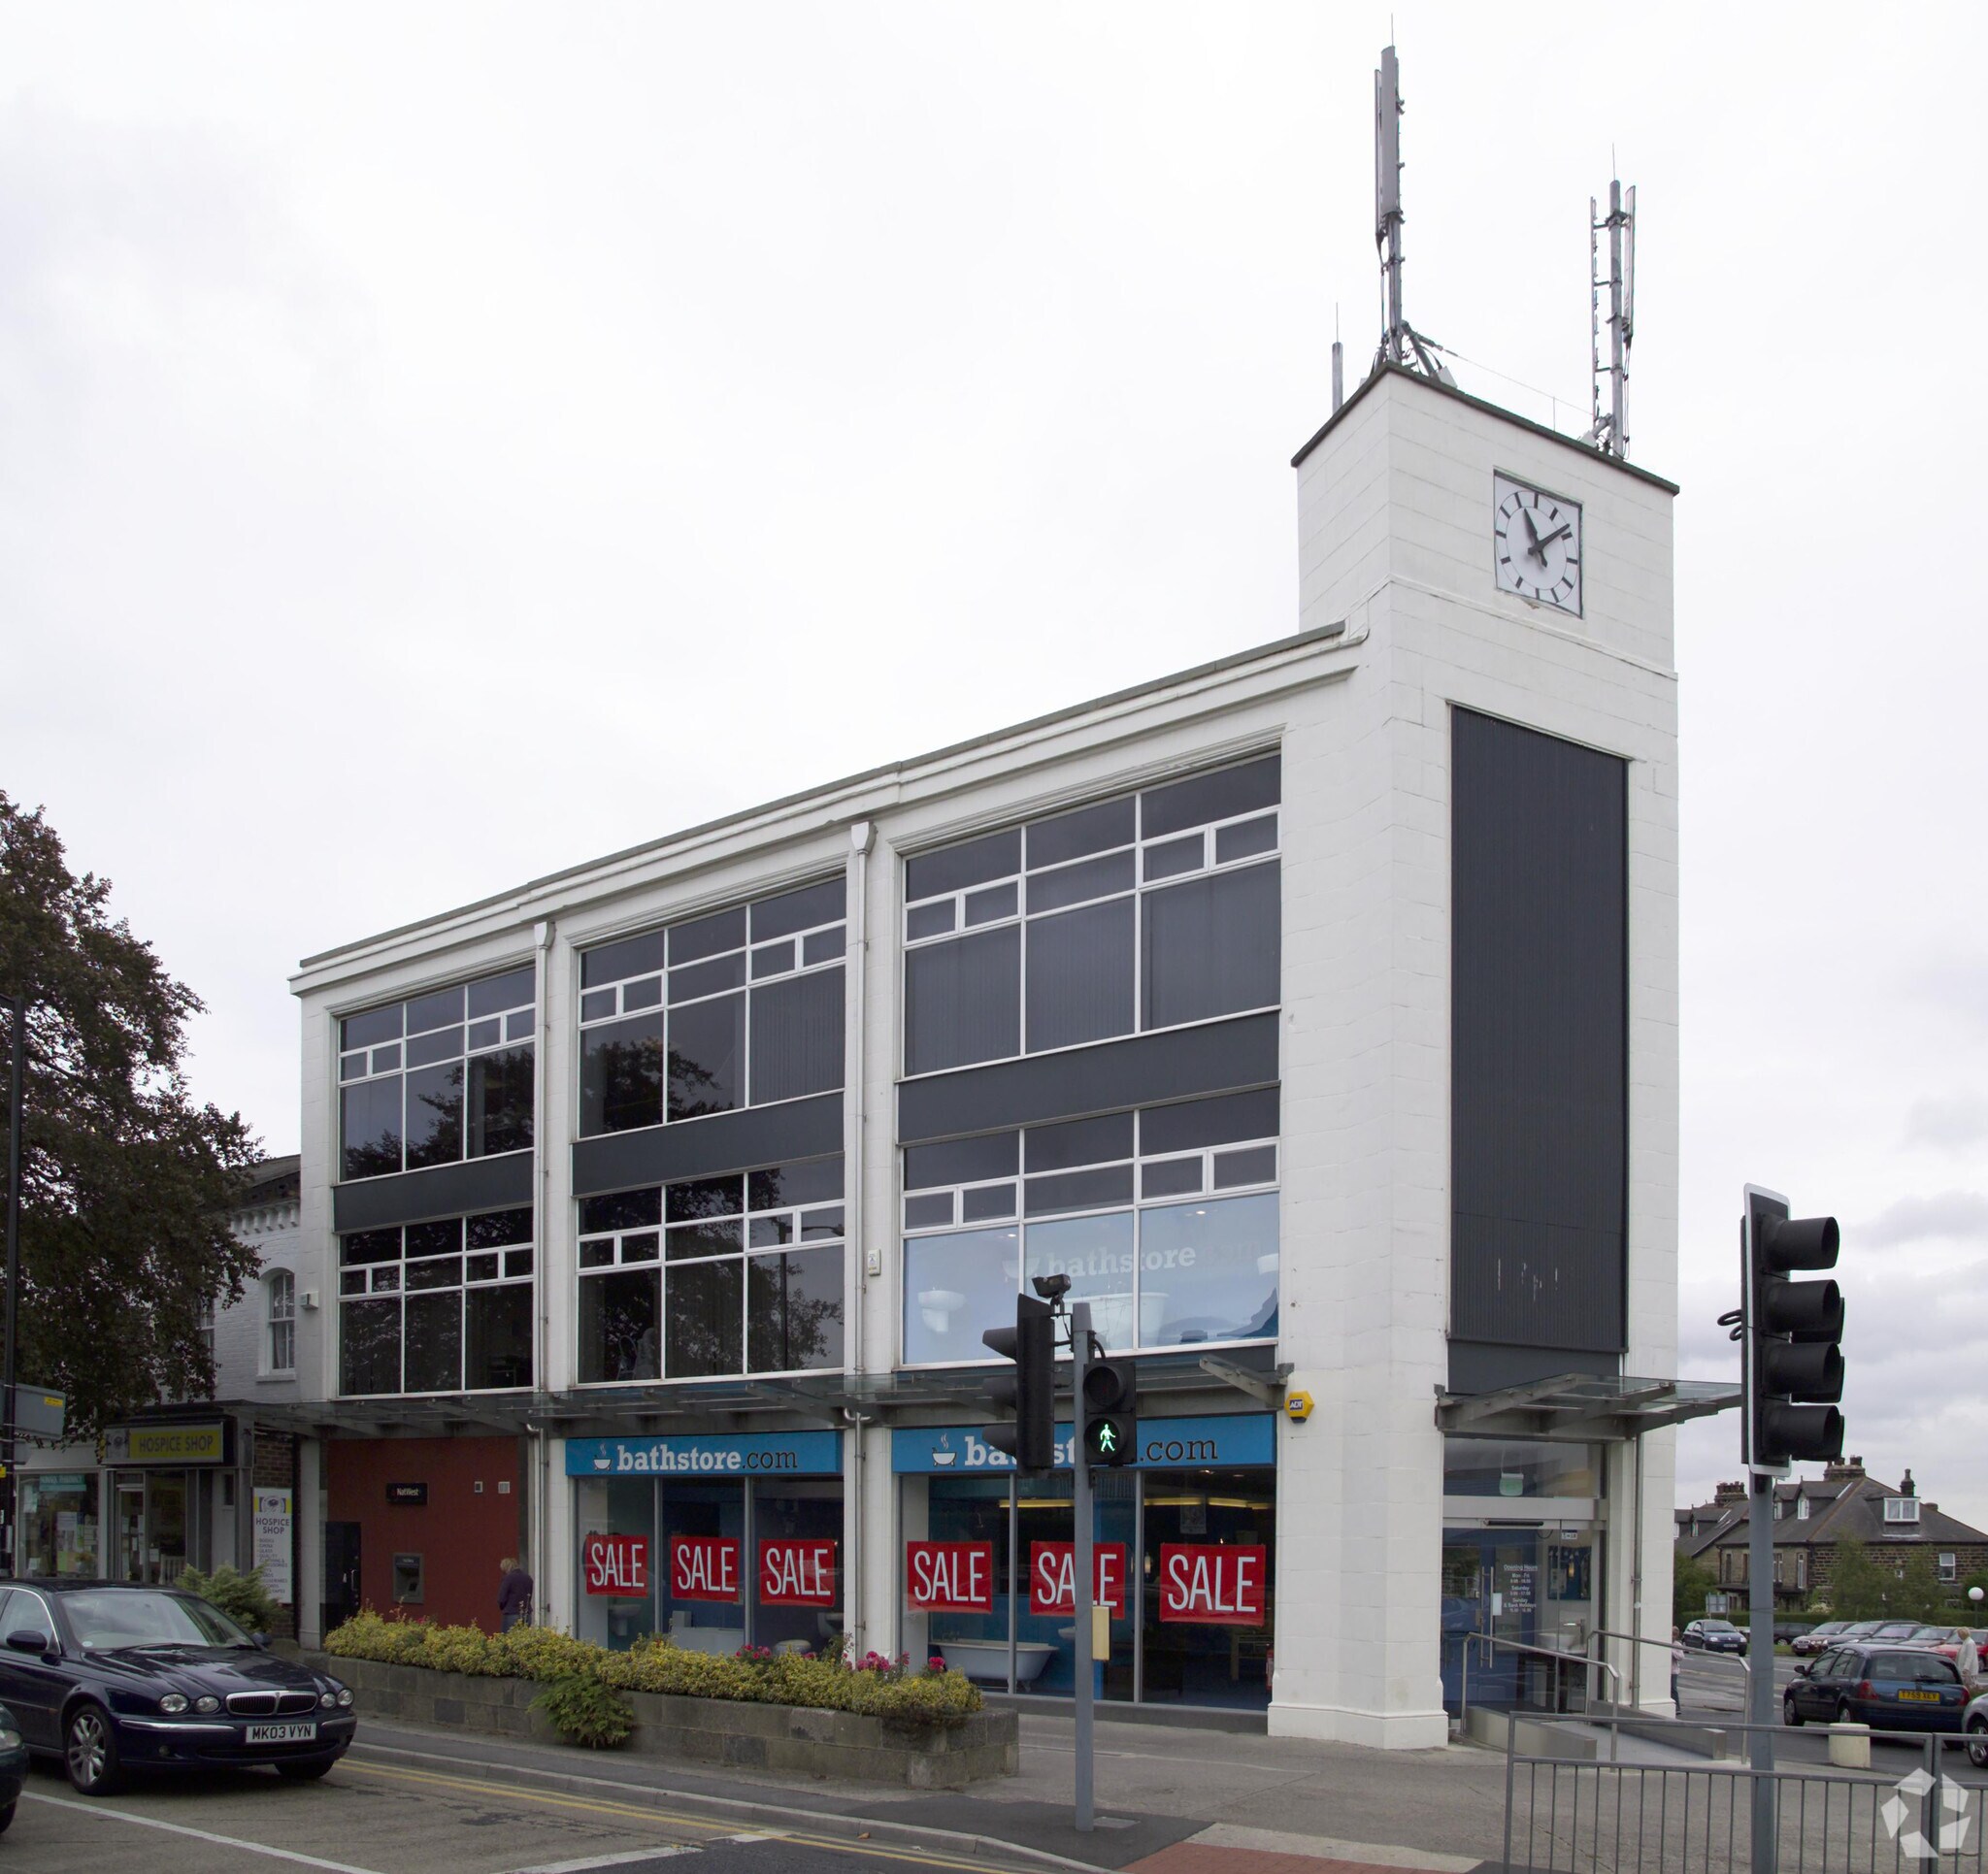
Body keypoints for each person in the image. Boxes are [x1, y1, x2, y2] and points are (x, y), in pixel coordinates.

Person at [497, 1556, 534, 1632]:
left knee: (508, 1640)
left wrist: (504, 1607)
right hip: (526, 1613)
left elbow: (502, 1598)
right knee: (524, 1639)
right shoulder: (528, 1578)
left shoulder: (508, 1578)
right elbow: (529, 1596)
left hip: (511, 1613)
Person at [1671, 1627, 1684, 1708]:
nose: (1673, 1637)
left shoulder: (1677, 1645)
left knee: (1673, 1689)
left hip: (1673, 1671)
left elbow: (1681, 1657)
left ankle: (1677, 1707)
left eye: (1675, 1635)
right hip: (1666, 1670)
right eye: (1672, 1634)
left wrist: (1672, 1652)